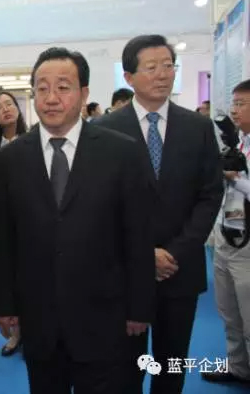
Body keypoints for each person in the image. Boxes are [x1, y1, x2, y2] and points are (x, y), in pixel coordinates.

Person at [0, 47, 155, 394]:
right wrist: (5, 304)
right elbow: (4, 237)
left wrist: (140, 306)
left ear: (83, 93)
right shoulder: (11, 159)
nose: (51, 98)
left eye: (63, 87)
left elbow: (138, 235)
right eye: (42, 88)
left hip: (106, 317)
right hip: (39, 318)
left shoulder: (121, 152)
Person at [95, 34, 223, 394]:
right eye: (151, 67)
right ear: (129, 76)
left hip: (180, 269)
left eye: (168, 65)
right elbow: (99, 205)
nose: (163, 74)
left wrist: (175, 252)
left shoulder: (198, 127)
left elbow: (210, 195)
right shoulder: (104, 130)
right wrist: (142, 254)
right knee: (124, 369)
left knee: (171, 366)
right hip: (123, 272)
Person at [200, 79, 250, 386]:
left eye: (242, 104)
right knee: (229, 312)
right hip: (227, 235)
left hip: (248, 245)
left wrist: (235, 178)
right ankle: (239, 367)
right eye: (234, 103)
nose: (235, 110)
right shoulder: (238, 143)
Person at [0, 91, 27, 358]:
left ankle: (33, 331)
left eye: (9, 104)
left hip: (31, 222)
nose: (6, 110)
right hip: (1, 220)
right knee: (8, 277)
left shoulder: (33, 140)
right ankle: (15, 334)